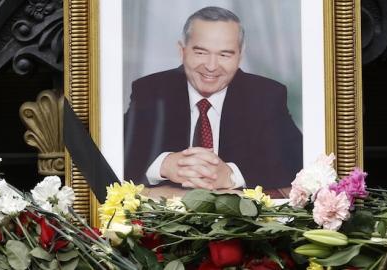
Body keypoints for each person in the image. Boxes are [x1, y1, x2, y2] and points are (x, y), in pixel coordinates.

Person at [124, 6, 302, 192]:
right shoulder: (150, 91)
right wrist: (163, 165)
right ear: (182, 51)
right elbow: (118, 156)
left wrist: (232, 176)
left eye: (224, 54)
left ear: (240, 56)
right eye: (201, 52)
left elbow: (297, 165)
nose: (211, 66)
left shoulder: (267, 95)